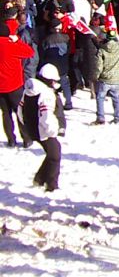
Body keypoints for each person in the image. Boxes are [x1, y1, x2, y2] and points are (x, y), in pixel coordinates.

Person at [17, 63, 65, 191]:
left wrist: (25, 125)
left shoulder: (29, 90)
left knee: (51, 153)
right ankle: (51, 185)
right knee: (55, 154)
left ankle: (39, 179)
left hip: (31, 128)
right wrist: (52, 131)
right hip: (43, 129)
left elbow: (20, 109)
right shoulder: (46, 94)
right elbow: (46, 115)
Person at [0, 21, 35, 147]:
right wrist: (17, 41)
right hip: (14, 85)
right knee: (20, 112)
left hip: (0, 88)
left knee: (6, 114)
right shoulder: (11, 46)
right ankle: (26, 138)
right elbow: (29, 52)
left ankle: (11, 139)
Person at [95, 27, 119, 125]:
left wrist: (97, 76)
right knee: (116, 98)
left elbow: (99, 65)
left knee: (100, 98)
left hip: (105, 78)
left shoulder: (102, 50)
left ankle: (100, 117)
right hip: (116, 78)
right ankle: (118, 117)